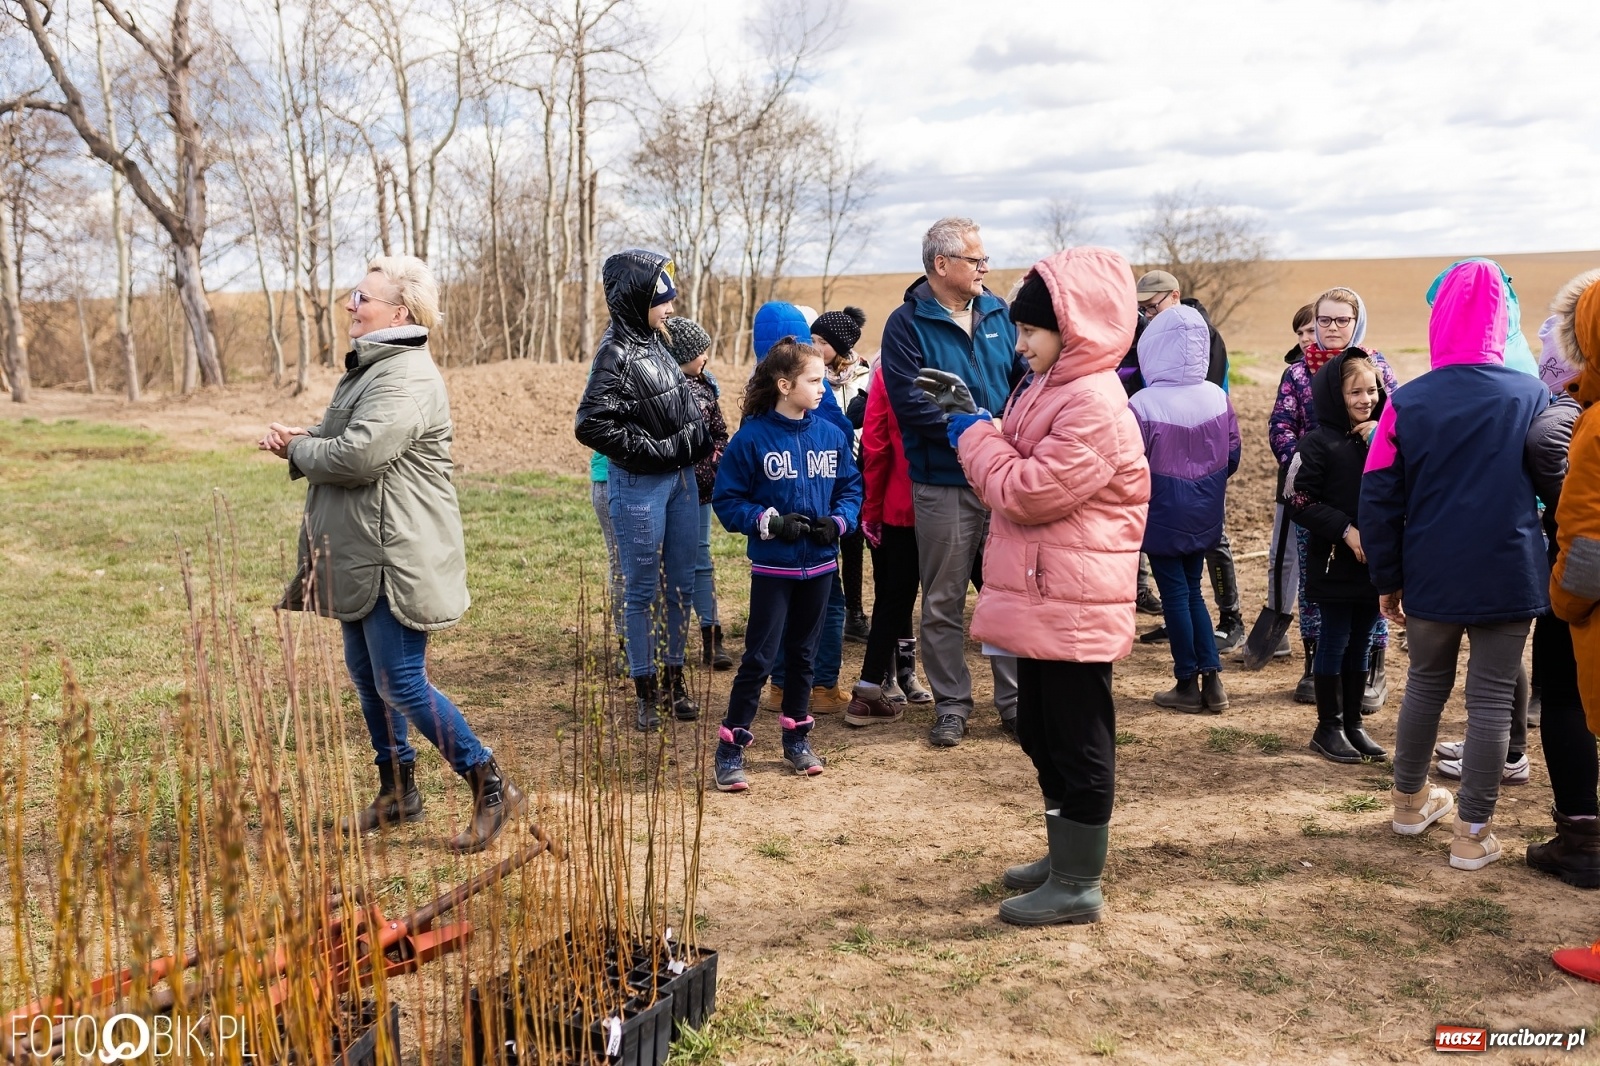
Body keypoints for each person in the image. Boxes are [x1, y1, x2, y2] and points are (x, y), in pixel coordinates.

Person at [262, 254, 523, 853]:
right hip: (366, 552)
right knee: (366, 674)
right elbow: (347, 440)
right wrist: (302, 440)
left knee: (400, 680)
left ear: (398, 312)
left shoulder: (404, 375)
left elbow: (358, 456)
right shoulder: (373, 369)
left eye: (363, 297)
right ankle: (398, 792)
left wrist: (301, 450)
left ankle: (490, 784)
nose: (351, 305)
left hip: (394, 556)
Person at [943, 247, 1149, 925]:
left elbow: (1026, 490)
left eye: (1031, 329)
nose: (1020, 341)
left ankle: (1079, 882)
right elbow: (1025, 452)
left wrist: (971, 430)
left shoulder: (1093, 402)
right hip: (1048, 594)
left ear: (1075, 325)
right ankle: (1064, 854)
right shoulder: (1050, 385)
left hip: (1076, 600)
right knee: (1040, 728)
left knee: (1078, 739)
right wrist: (983, 417)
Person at [1362, 259, 1550, 871]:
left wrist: (1387, 578)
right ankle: (1472, 834)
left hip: (1430, 571)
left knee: (1424, 683)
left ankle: (1408, 803)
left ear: (1438, 317)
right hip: (1509, 570)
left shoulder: (1407, 400)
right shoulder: (1532, 394)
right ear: (1503, 320)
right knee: (1494, 700)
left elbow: (1379, 494)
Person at [881, 217, 1027, 747]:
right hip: (943, 482)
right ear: (942, 265)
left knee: (1006, 594)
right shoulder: (906, 325)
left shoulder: (999, 313)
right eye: (976, 259)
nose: (985, 268)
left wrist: (1008, 433)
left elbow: (1023, 381)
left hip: (1003, 480)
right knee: (943, 600)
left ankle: (1014, 703)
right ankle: (952, 705)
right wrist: (976, 433)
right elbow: (911, 403)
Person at [710, 339, 862, 791]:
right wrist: (770, 523)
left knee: (804, 657)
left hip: (819, 569)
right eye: (814, 381)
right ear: (784, 385)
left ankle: (797, 738)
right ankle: (730, 748)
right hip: (774, 572)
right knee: (758, 659)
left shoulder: (831, 436)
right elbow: (728, 500)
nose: (823, 389)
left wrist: (837, 523)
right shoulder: (752, 439)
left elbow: (851, 490)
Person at [575, 249, 714, 730]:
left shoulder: (656, 341)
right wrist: (653, 451)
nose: (672, 307)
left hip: (680, 484)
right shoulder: (614, 353)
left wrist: (695, 434)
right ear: (636, 298)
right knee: (641, 591)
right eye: (663, 299)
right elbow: (591, 424)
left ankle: (676, 682)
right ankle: (645, 691)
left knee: (679, 586)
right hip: (639, 486)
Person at [1268, 287, 1400, 706]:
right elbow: (1281, 425)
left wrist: (1377, 442)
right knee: (1316, 583)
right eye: (1324, 320)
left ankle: (1372, 669)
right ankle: (1315, 663)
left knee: (1374, 579)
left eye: (1342, 319)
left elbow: (1398, 419)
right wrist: (1305, 464)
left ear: (1357, 320)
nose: (1332, 328)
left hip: (1372, 491)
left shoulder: (1375, 365)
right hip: (1318, 495)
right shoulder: (1297, 373)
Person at [1127, 303, 1239, 713]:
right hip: (1205, 511)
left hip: (1161, 513)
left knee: (1175, 594)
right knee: (1193, 590)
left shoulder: (1142, 403)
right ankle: (1213, 680)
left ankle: (1186, 681)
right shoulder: (1217, 397)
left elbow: (1129, 463)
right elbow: (1232, 457)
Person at [1284, 352, 1388, 762]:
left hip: (1373, 562)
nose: (1366, 399)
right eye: (1355, 392)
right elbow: (1297, 498)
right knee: (1334, 640)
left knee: (1363, 641)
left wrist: (1379, 439)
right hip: (1334, 560)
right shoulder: (1317, 444)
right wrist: (1346, 530)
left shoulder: (1380, 439)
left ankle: (1353, 724)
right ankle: (1327, 727)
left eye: (1371, 390)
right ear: (1333, 395)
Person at [754, 301, 855, 715]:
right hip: (818, 523)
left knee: (778, 609)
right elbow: (840, 434)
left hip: (776, 530)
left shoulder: (760, 396)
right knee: (829, 605)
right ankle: (824, 687)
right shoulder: (814, 387)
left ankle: (780, 686)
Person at [1537, 273, 1600, 888]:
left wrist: (1562, 602)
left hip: (1590, 614)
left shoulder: (1595, 426)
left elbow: (1586, 543)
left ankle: (1581, 841)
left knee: (1564, 700)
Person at [844, 357, 933, 726]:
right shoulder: (971, 355)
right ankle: (1017, 695)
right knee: (992, 591)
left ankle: (871, 687)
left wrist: (873, 508)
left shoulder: (887, 370)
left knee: (893, 596)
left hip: (902, 503)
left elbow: (875, 445)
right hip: (967, 499)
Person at [1237, 305, 1317, 668]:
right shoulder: (1294, 374)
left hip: (1336, 486)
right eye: (1299, 332)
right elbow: (1280, 423)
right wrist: (1295, 462)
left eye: (1310, 330)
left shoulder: (1353, 370)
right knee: (1280, 557)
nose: (1304, 338)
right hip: (1293, 477)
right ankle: (1278, 627)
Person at [663, 316, 733, 672]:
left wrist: (711, 463)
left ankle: (712, 635)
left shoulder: (708, 388)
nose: (705, 356)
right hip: (664, 488)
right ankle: (666, 645)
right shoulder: (661, 390)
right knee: (665, 565)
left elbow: (719, 432)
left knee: (702, 558)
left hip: (701, 489)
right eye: (699, 351)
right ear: (680, 354)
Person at [813, 306, 874, 644]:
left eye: (821, 341)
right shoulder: (811, 375)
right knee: (825, 540)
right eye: (812, 338)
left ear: (840, 344)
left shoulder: (864, 378)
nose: (814, 345)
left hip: (857, 470)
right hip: (824, 468)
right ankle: (825, 610)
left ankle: (854, 612)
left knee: (853, 543)